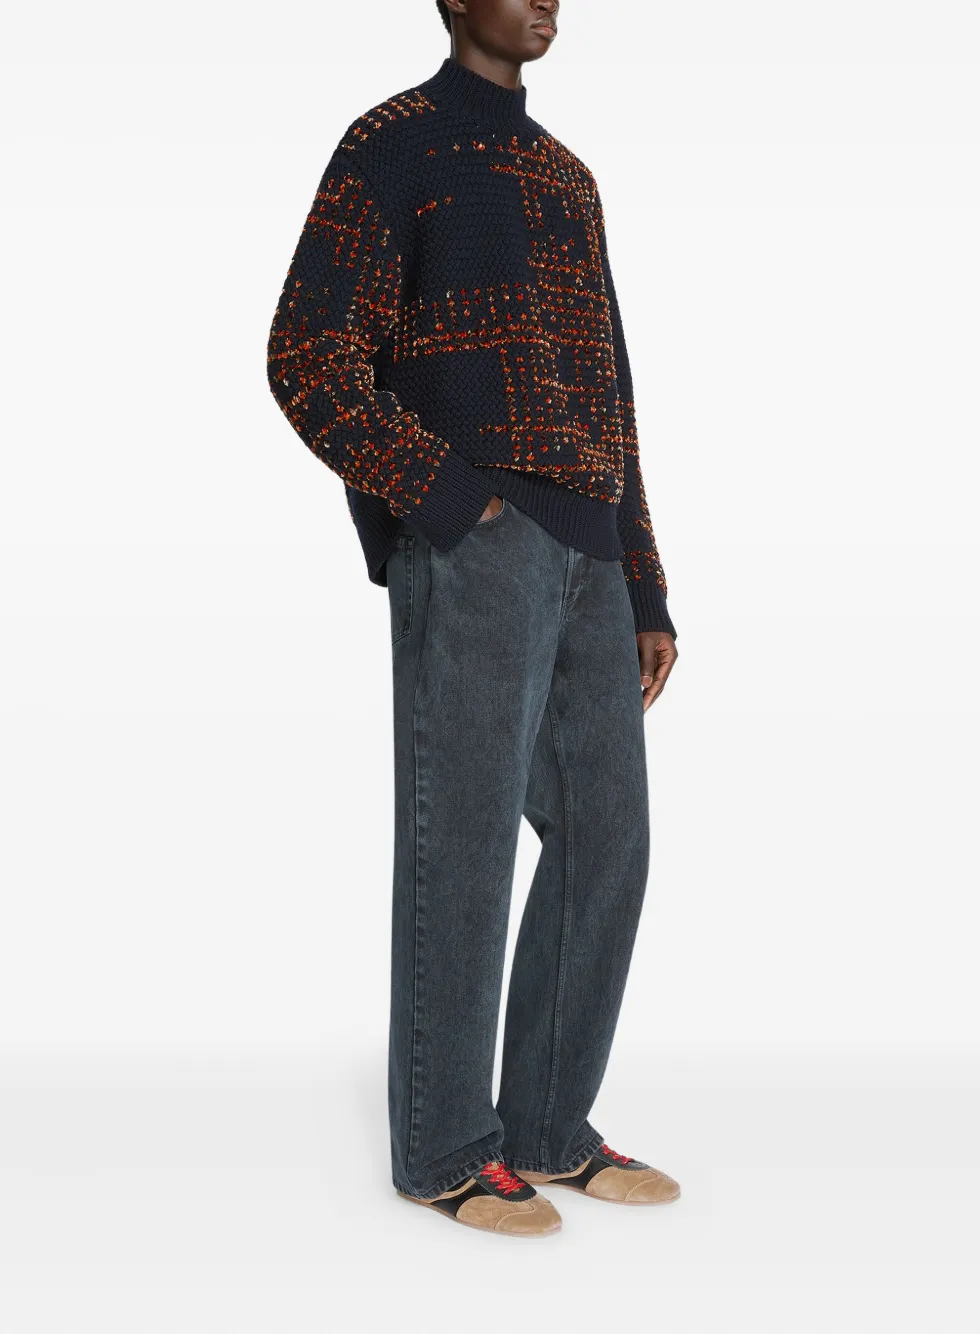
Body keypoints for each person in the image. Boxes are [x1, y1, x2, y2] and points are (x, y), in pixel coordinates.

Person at [267, 0, 680, 1238]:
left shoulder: (568, 178)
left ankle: (548, 1127)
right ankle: (446, 1146)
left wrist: (644, 581)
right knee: (464, 843)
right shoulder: (394, 142)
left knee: (609, 839)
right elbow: (307, 353)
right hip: (479, 538)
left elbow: (609, 392)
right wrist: (448, 499)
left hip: (589, 547)